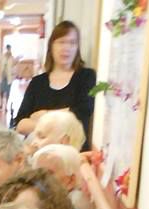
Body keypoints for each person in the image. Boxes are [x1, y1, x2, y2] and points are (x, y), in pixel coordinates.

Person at [13, 20, 96, 150]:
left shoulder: (86, 76)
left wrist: (43, 116)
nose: (66, 48)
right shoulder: (37, 83)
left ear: (77, 48)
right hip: (39, 154)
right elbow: (20, 124)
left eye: (72, 43)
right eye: (61, 42)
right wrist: (65, 116)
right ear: (51, 46)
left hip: (74, 155)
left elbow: (83, 111)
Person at [33, 143, 97, 209]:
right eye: (37, 173)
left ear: (70, 181)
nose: (39, 179)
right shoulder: (46, 200)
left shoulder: (76, 204)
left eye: (48, 174)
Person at [0, 43, 14, 113]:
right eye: (7, 49)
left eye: (9, 49)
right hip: (2, 77)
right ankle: (1, 103)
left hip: (9, 78)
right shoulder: (2, 57)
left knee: (8, 92)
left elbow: (14, 66)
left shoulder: (12, 58)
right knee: (1, 91)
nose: (8, 50)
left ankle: (6, 106)